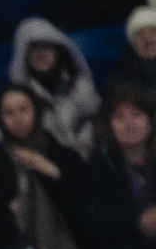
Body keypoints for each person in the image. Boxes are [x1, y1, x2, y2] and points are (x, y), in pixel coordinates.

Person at [0, 82, 92, 249]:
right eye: (9, 113)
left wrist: (50, 171)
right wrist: (9, 215)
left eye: (23, 109)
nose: (18, 118)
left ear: (36, 111)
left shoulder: (64, 158)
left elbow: (84, 213)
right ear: (0, 119)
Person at [84, 82, 156, 249]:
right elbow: (96, 221)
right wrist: (138, 222)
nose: (129, 124)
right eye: (120, 117)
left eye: (136, 115)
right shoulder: (99, 164)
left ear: (150, 121)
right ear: (110, 125)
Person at [11, 15, 103, 153]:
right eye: (33, 48)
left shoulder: (81, 86)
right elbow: (11, 147)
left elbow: (99, 125)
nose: (41, 54)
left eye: (46, 46)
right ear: (24, 57)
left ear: (58, 50)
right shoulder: (13, 100)